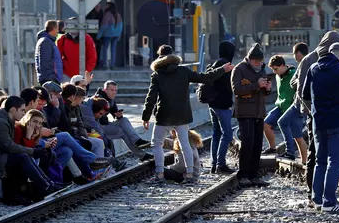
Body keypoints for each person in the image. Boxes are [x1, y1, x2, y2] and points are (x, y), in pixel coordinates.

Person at [142, 44, 227, 185]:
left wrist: (146, 117)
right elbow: (205, 77)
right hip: (182, 115)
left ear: (159, 57)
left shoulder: (157, 75)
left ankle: (159, 174)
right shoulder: (183, 71)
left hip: (164, 115)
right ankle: (190, 175)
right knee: (185, 144)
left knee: (157, 144)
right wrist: (222, 70)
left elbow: (151, 97)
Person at [302, 41, 339, 212]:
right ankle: (329, 202)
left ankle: (317, 200)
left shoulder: (313, 68)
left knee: (320, 161)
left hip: (318, 121)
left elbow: (305, 94)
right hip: (337, 121)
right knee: (334, 162)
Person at [0, 96, 65, 203]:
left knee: (24, 156)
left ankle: (48, 184)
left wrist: (33, 147)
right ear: (13, 110)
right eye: (22, 110)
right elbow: (9, 146)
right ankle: (45, 186)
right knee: (22, 157)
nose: (24, 113)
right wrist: (33, 151)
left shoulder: (7, 121)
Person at [291, 31, 339, 198]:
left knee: (325, 155)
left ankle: (322, 191)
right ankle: (313, 189)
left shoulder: (331, 60)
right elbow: (302, 91)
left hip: (327, 114)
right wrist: (313, 111)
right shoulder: (310, 60)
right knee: (316, 153)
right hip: (315, 115)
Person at [231, 44, 271, 188]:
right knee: (247, 144)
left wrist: (267, 89)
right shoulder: (239, 69)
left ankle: (254, 175)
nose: (258, 63)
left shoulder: (262, 69)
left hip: (259, 112)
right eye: (256, 61)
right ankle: (243, 175)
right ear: (249, 59)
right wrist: (256, 85)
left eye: (260, 61)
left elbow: (262, 92)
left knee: (257, 144)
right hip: (245, 112)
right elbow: (236, 89)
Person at [94, 81, 151, 153]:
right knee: (122, 131)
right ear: (105, 90)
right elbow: (97, 118)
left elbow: (115, 113)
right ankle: (142, 154)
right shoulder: (98, 99)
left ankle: (137, 141)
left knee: (124, 120)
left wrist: (119, 116)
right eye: (111, 90)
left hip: (105, 124)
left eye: (115, 90)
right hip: (97, 127)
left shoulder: (111, 99)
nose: (114, 92)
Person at [266, 55, 304, 161]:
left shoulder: (294, 74)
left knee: (286, 126)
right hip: (280, 106)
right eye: (273, 70)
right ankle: (273, 148)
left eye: (276, 69)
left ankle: (290, 152)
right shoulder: (278, 76)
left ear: (283, 65)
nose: (274, 72)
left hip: (292, 108)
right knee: (265, 124)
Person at [207, 41, 236, 174]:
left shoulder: (215, 63)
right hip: (222, 105)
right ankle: (221, 164)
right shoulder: (225, 66)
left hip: (212, 104)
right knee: (227, 134)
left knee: (216, 133)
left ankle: (214, 164)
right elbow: (226, 87)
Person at [35, 20, 63, 84]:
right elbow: (44, 63)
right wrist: (51, 79)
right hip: (49, 80)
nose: (58, 31)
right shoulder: (46, 42)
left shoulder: (48, 41)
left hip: (50, 79)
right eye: (57, 29)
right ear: (54, 29)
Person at [97, 2, 123, 69]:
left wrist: (98, 35)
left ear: (109, 7)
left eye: (107, 5)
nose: (105, 6)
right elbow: (121, 26)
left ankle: (104, 64)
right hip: (116, 35)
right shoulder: (118, 14)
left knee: (105, 49)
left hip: (108, 35)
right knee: (113, 49)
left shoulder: (107, 14)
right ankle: (112, 65)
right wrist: (119, 34)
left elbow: (104, 26)